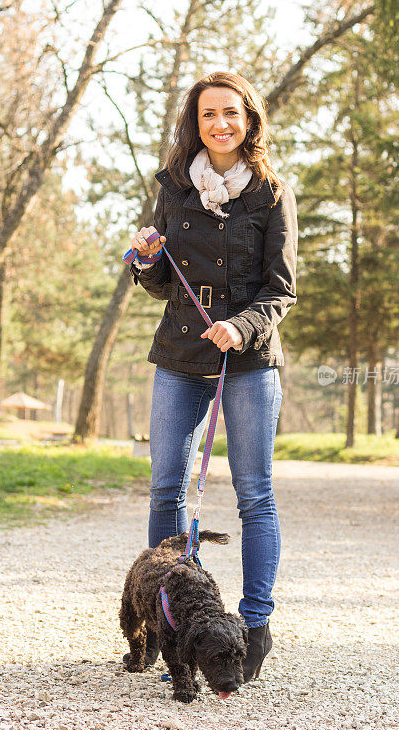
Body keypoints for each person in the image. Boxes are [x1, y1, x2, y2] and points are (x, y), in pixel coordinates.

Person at [127, 71, 298, 683]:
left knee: (255, 493)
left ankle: (254, 624)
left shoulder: (273, 193)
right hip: (179, 352)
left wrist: (242, 326)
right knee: (165, 488)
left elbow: (282, 291)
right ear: (193, 123)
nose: (219, 124)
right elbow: (160, 280)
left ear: (249, 119)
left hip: (249, 356)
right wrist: (145, 258)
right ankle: (163, 616)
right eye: (207, 115)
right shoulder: (174, 187)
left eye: (230, 113)